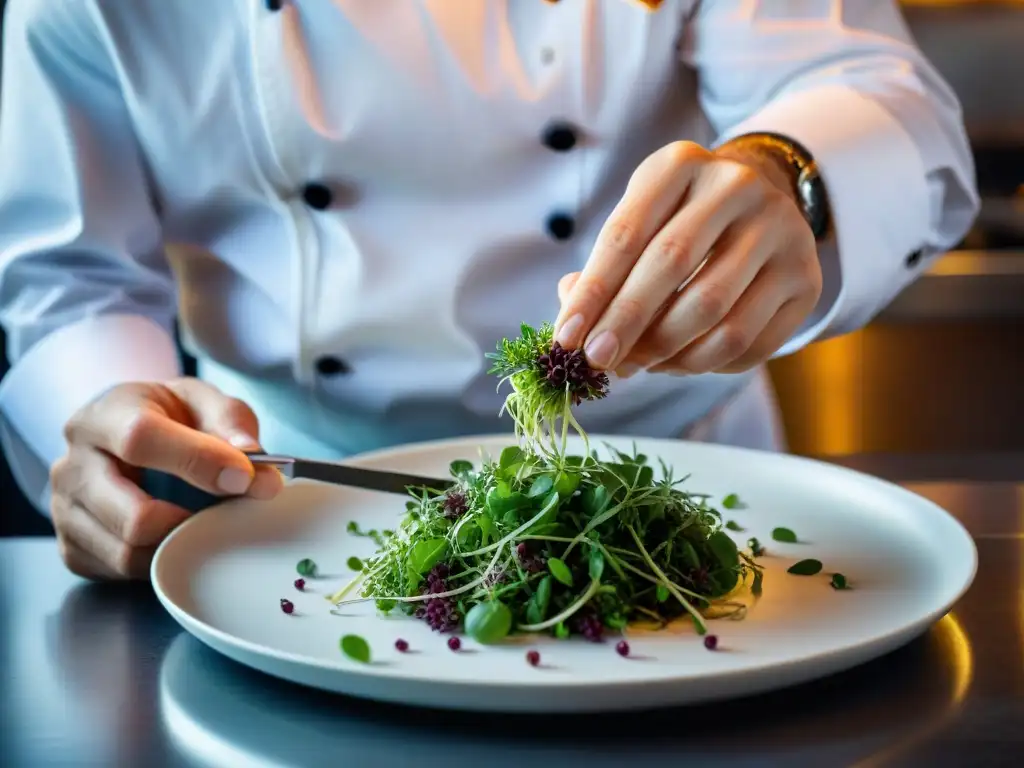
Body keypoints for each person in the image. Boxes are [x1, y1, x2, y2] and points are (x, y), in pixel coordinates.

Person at [0, 0, 977, 580]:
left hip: (684, 480)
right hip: (282, 502)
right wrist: (113, 425)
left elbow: (873, 89)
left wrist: (788, 174)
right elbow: (72, 278)